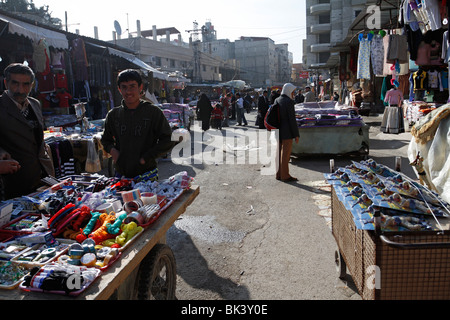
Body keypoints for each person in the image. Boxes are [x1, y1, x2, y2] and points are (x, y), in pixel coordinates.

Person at [101, 69, 175, 179]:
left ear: (140, 87)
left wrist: (147, 157)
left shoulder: (153, 112)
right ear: (119, 89)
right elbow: (105, 139)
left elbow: (168, 139)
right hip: (121, 174)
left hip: (147, 173)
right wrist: (113, 151)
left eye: (132, 86)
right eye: (124, 87)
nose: (128, 91)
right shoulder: (113, 115)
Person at [0, 63, 55, 199]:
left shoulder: (35, 104)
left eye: (26, 84)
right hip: (14, 183)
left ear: (32, 85)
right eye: (15, 83)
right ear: (6, 83)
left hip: (42, 178)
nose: (20, 89)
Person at [276, 83, 300, 182]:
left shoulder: (277, 99)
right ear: (289, 91)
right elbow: (292, 120)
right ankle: (285, 176)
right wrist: (296, 134)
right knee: (285, 155)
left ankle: (279, 174)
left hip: (278, 130)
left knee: (279, 154)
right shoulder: (289, 102)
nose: (293, 94)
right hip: (287, 131)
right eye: (292, 92)